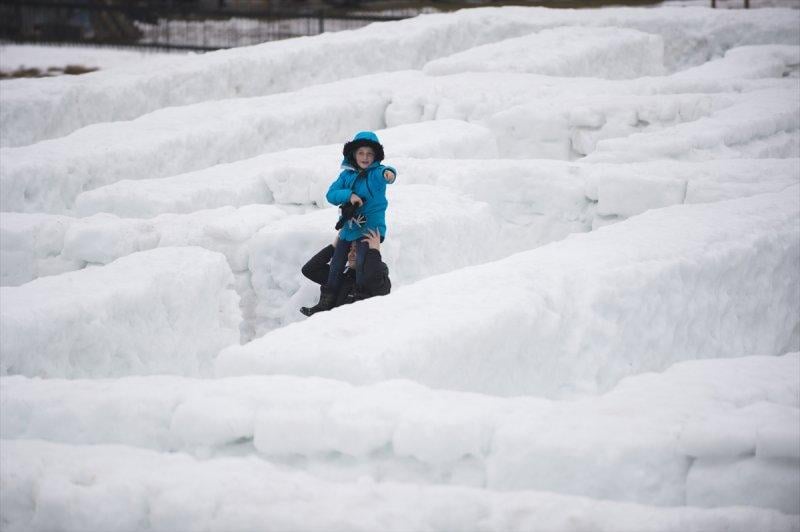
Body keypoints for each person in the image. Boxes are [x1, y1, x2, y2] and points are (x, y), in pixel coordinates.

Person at [302, 131, 397, 314]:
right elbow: (331, 194)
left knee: (361, 264)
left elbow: (387, 172)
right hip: (349, 226)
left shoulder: (376, 174)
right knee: (336, 265)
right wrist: (349, 195)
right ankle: (325, 303)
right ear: (353, 154)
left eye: (370, 154)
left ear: (376, 156)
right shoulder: (346, 175)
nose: (365, 157)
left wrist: (389, 174)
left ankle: (359, 300)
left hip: (369, 229)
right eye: (361, 153)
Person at [300, 229, 391, 316]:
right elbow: (309, 270)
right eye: (350, 249)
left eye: (357, 250)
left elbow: (372, 278)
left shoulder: (381, 280)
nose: (351, 254)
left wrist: (374, 251)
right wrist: (335, 247)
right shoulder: (342, 276)